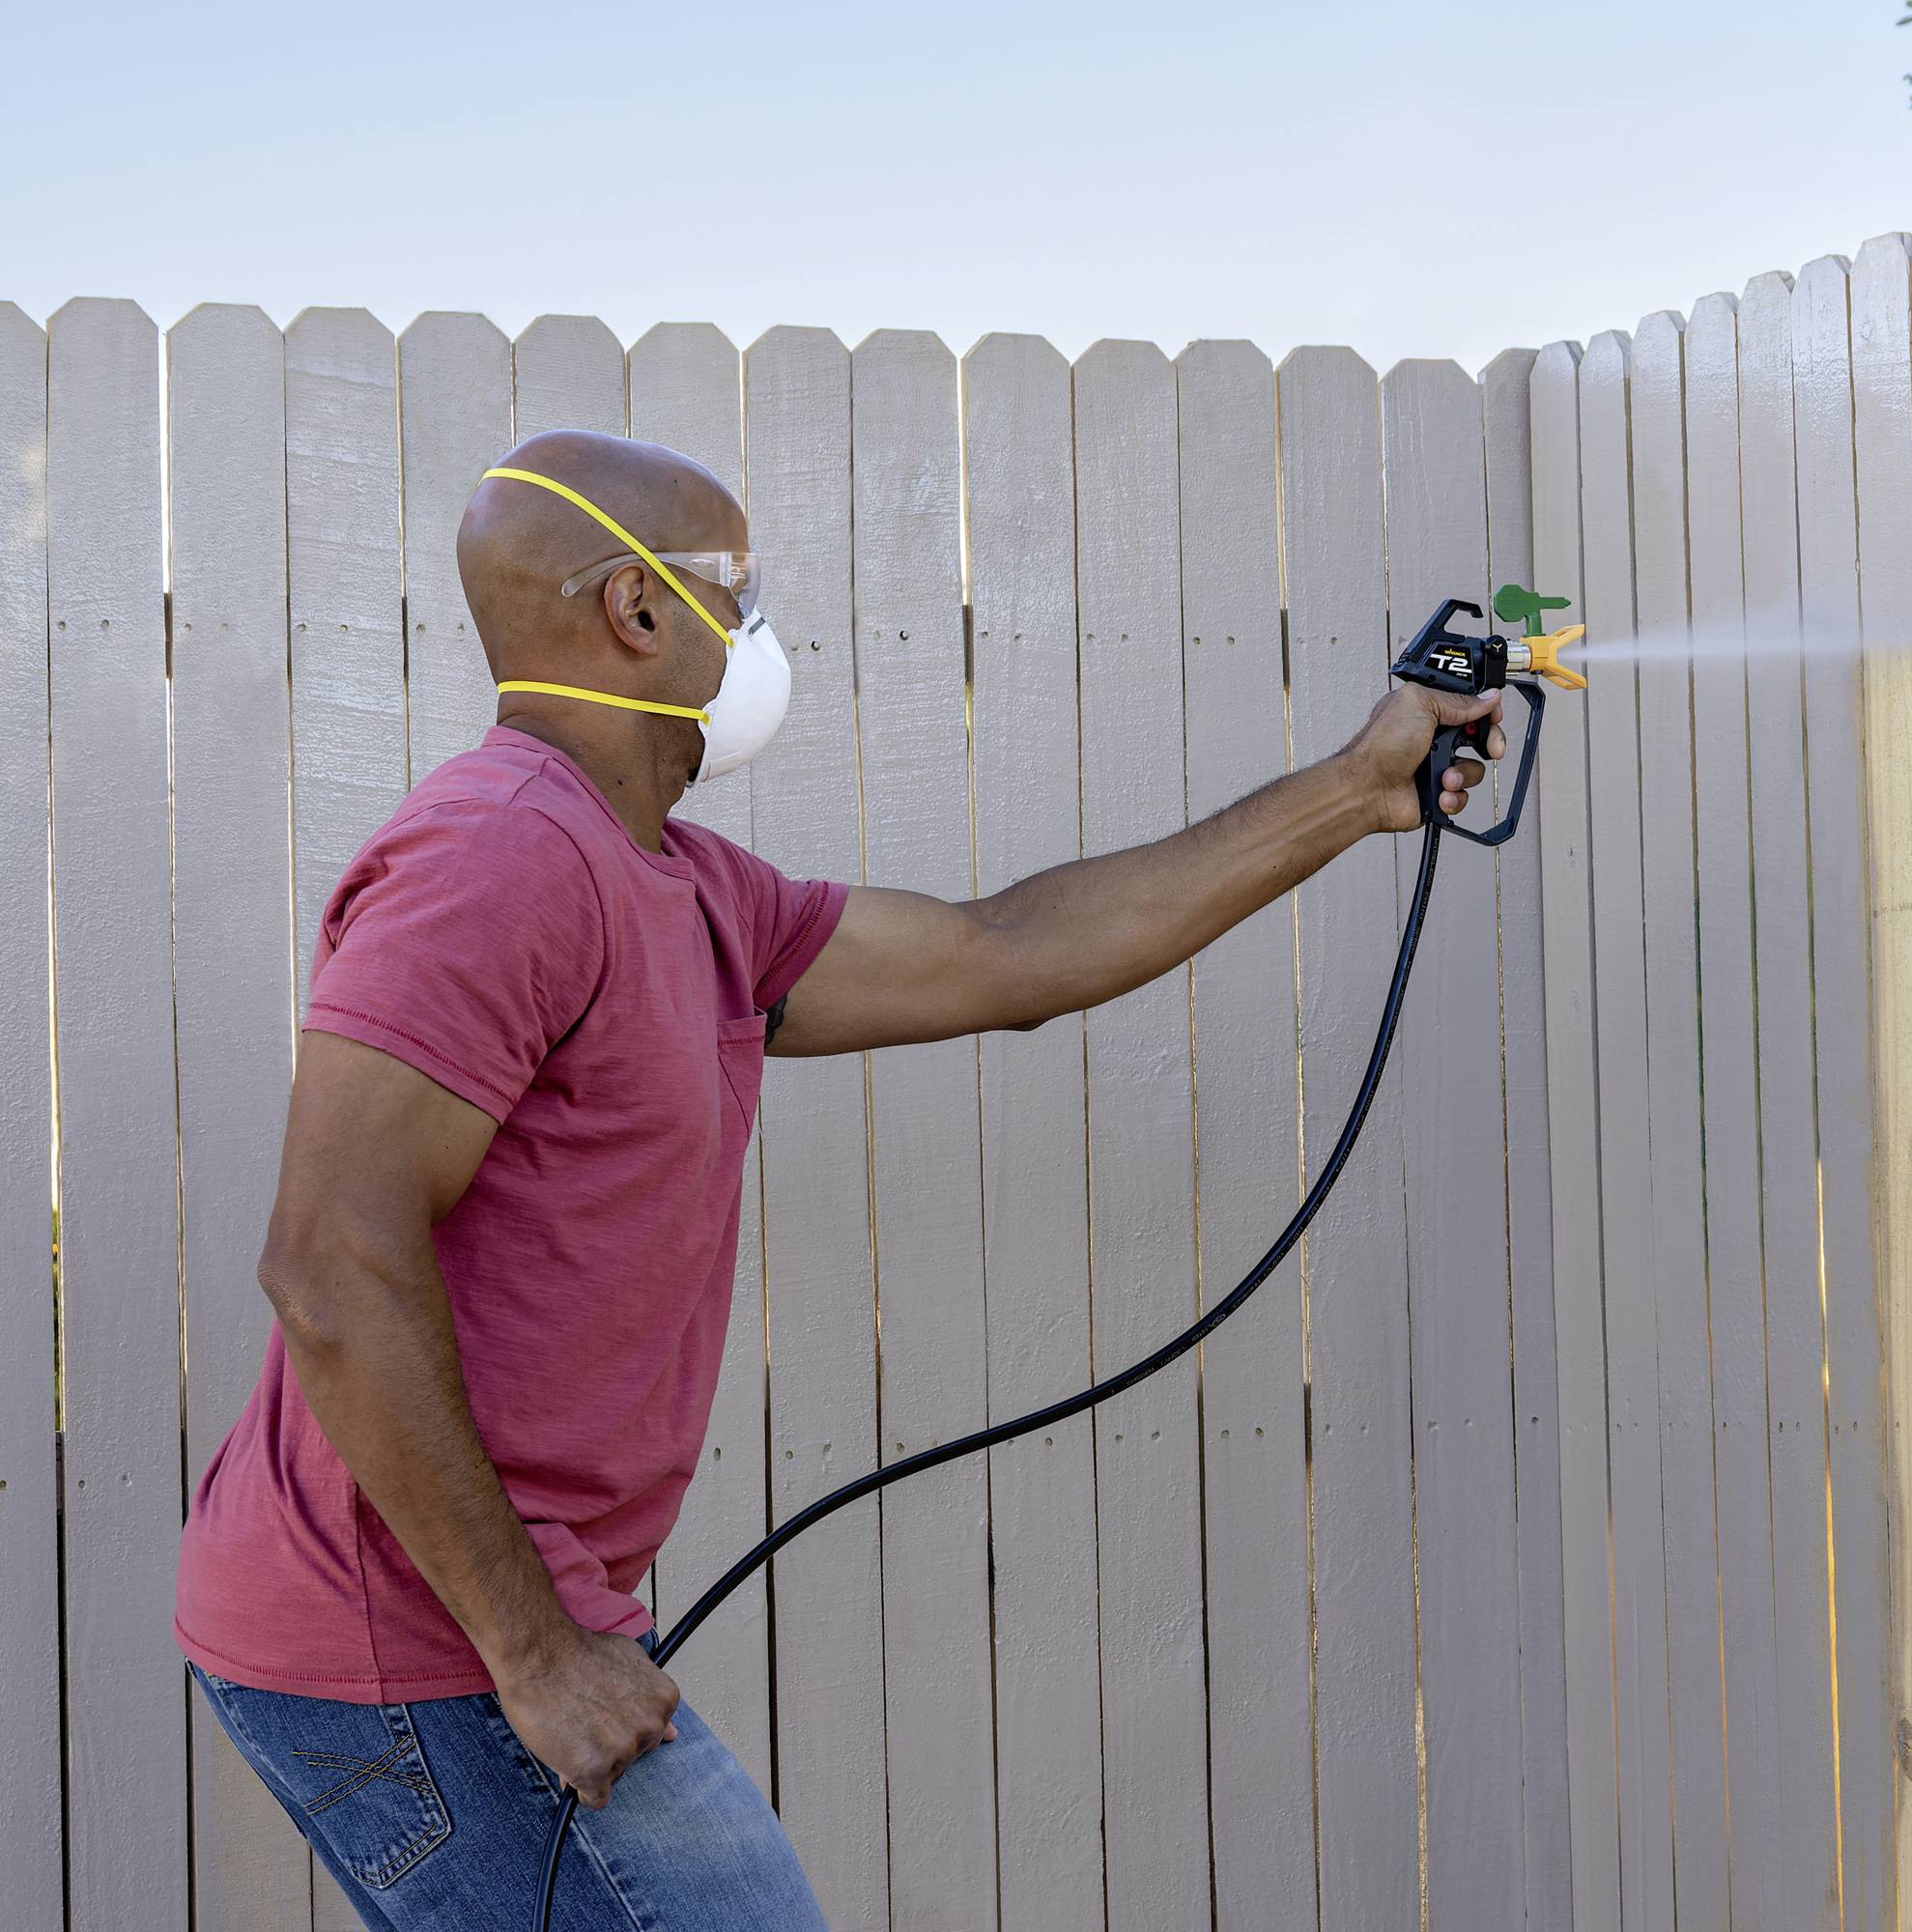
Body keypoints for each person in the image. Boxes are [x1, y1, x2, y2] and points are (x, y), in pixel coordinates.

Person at [173, 430, 1503, 1929]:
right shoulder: (501, 859)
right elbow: (329, 1262)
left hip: (482, 1620)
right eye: (738, 587)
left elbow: (1008, 954)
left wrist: (1356, 789)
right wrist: (538, 1653)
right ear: (638, 611)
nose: (756, 628)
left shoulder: (681, 889)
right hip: (416, 1643)